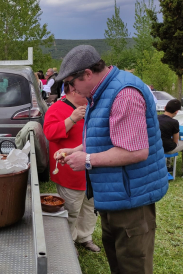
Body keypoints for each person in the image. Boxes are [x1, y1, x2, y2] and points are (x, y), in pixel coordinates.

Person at [54, 45, 168, 273]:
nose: (71, 89)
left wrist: (87, 160)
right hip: (114, 198)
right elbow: (105, 139)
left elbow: (135, 151)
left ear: (87, 73)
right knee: (118, 264)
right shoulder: (102, 92)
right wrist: (76, 150)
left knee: (132, 266)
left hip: (130, 203)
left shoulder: (124, 93)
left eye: (71, 83)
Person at [44, 82, 100, 253]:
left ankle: (85, 237)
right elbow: (50, 133)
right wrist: (72, 119)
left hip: (93, 168)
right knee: (71, 209)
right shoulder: (56, 108)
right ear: (72, 89)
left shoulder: (92, 105)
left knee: (90, 208)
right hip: (70, 171)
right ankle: (69, 241)